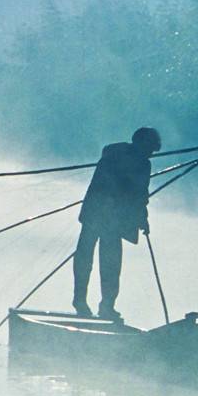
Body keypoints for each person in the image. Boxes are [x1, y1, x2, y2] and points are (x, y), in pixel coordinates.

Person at [73, 126, 161, 322]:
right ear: (138, 142)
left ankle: (107, 306)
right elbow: (110, 178)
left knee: (111, 264)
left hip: (115, 220)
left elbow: (141, 195)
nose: (150, 153)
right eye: (149, 148)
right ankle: (79, 301)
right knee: (84, 257)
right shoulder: (115, 152)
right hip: (96, 212)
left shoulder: (143, 164)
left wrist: (142, 217)